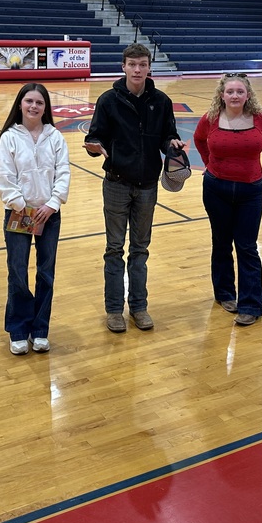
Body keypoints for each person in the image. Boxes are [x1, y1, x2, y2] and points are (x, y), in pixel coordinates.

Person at [84, 43, 183, 333]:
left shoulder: (162, 101)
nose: (137, 69)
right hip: (115, 183)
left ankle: (139, 307)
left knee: (140, 250)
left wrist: (172, 145)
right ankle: (114, 310)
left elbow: (168, 135)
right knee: (114, 249)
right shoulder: (108, 100)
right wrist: (94, 148)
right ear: (123, 67)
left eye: (142, 64)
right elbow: (95, 136)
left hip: (148, 187)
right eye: (132, 64)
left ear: (149, 67)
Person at [0, 83, 71, 355]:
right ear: (20, 104)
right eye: (29, 101)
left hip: (49, 215)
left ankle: (40, 331)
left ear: (46, 107)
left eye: (39, 102)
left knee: (46, 274)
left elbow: (64, 173)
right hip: (19, 214)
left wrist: (52, 204)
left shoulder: (55, 137)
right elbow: (4, 178)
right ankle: (18, 330)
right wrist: (23, 207)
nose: (34, 106)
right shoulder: (9, 138)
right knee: (18, 273)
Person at [193, 73, 262, 326]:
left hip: (250, 192)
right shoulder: (211, 119)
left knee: (247, 247)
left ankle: (251, 304)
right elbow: (198, 140)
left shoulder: (260, 119)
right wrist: (210, 164)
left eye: (240, 91)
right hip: (216, 189)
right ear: (222, 95)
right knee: (221, 243)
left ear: (248, 95)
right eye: (230, 91)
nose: (234, 96)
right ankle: (225, 294)